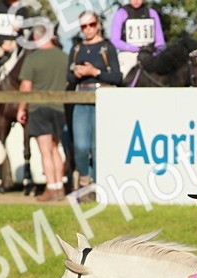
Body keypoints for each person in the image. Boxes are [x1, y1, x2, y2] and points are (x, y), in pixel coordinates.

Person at [67, 10, 121, 188]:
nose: (88, 29)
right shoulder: (76, 49)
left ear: (98, 25)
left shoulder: (107, 47)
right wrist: (77, 73)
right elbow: (69, 77)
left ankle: (99, 186)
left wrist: (95, 72)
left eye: (91, 25)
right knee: (81, 146)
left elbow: (117, 77)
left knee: (99, 147)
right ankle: (84, 179)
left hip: (103, 98)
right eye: (84, 26)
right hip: (81, 97)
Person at [16, 22, 68, 202]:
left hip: (39, 108)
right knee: (55, 148)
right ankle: (60, 186)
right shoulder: (63, 57)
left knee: (45, 150)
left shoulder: (33, 58)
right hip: (60, 108)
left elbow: (26, 86)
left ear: (37, 37)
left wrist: (21, 108)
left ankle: (51, 188)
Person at [109, 0, 166, 78]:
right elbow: (115, 40)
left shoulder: (152, 13)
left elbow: (160, 41)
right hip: (128, 54)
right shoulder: (121, 13)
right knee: (122, 76)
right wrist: (135, 48)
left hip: (150, 54)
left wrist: (153, 52)